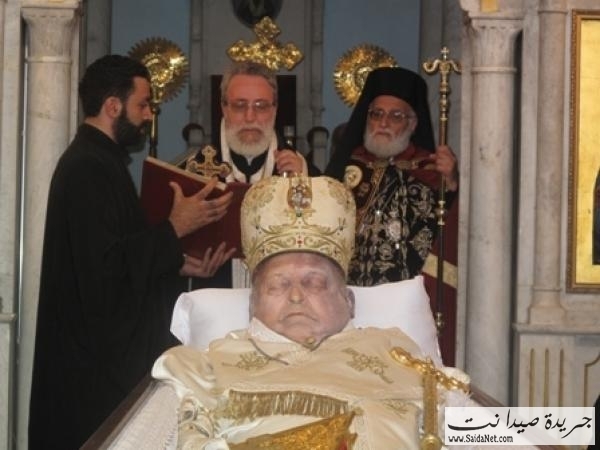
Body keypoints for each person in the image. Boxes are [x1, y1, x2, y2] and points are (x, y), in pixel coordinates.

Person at [152, 175, 470, 449]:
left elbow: (486, 431)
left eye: (314, 283)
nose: (295, 296)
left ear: (349, 301)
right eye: (277, 285)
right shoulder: (204, 368)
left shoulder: (402, 357)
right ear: (252, 304)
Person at [28, 55, 235, 450]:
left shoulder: (101, 162)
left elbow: (122, 253)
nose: (147, 116)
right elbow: (102, 273)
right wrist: (175, 228)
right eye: (142, 104)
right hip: (90, 373)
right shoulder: (87, 169)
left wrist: (178, 260)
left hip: (98, 362)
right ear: (113, 106)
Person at [185, 60, 320, 289]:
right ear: (224, 107)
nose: (250, 117)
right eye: (240, 106)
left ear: (275, 109)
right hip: (216, 293)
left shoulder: (303, 172)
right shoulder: (195, 170)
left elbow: (322, 243)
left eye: (261, 106)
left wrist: (304, 185)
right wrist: (185, 262)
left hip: (282, 295)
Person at [325, 66, 459, 286]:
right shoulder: (347, 167)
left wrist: (452, 184)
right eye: (376, 114)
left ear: (412, 124)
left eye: (396, 116)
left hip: (407, 292)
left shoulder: (429, 170)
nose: (383, 123)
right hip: (346, 290)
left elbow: (449, 233)